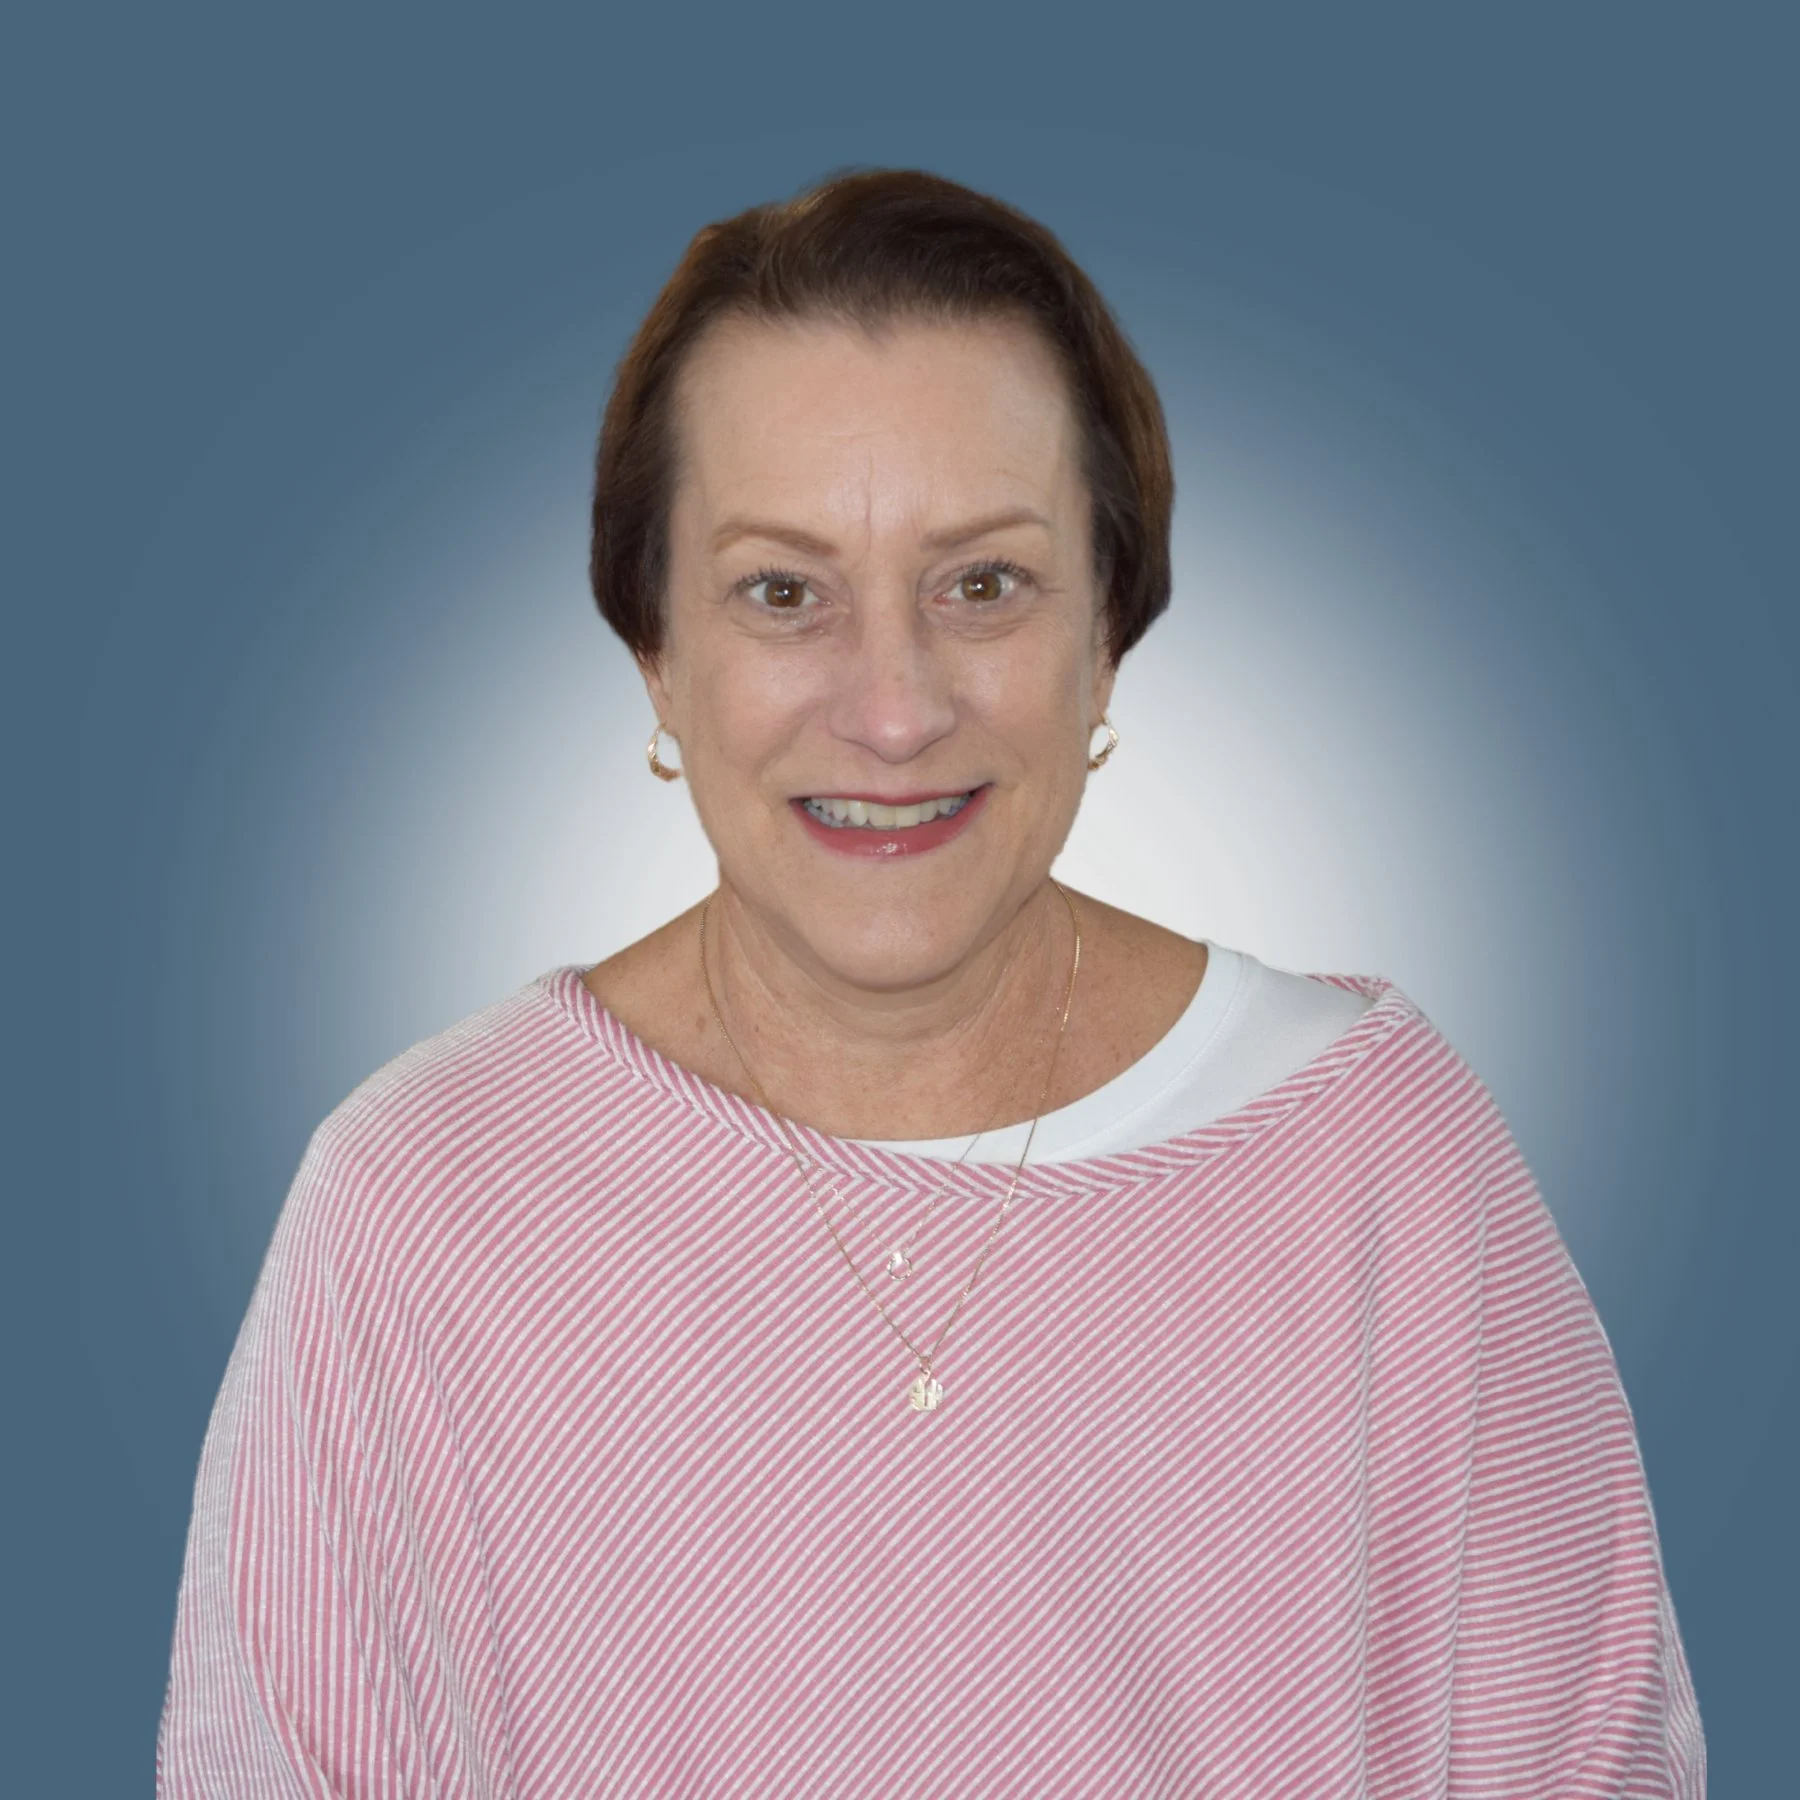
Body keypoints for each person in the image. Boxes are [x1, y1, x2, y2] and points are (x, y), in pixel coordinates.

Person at [157, 169, 1705, 1796]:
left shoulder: (1380, 1156)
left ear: (1108, 628)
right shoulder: (422, 1203)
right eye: (781, 592)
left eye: (983, 583)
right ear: (654, 655)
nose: (891, 712)